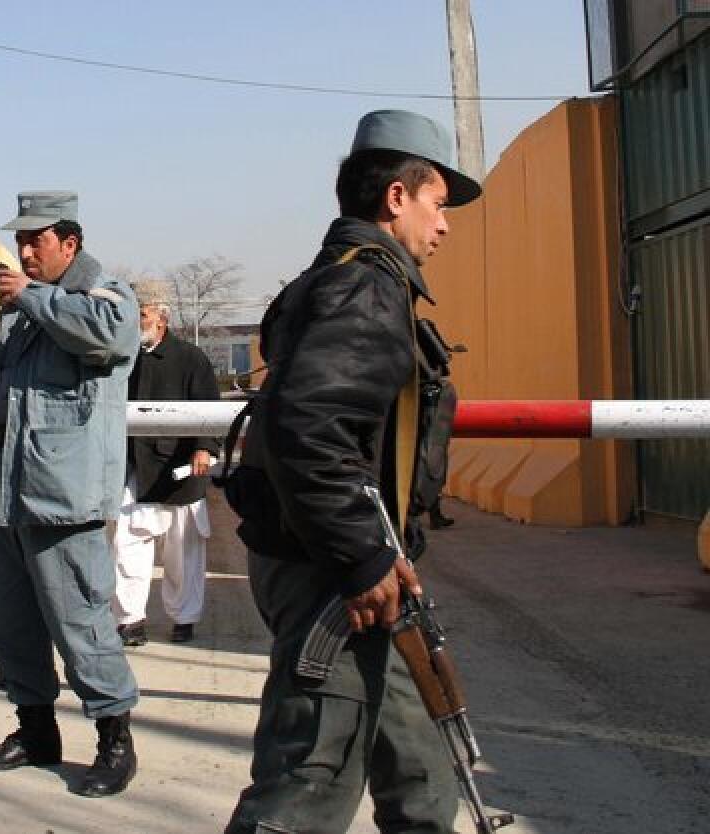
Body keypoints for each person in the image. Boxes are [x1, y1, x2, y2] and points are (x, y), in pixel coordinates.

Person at [224, 110, 482, 833]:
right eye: (438, 203)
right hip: (337, 574)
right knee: (306, 784)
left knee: (423, 771)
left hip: (354, 561)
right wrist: (363, 555)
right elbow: (311, 424)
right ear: (396, 198)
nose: (446, 224)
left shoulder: (338, 278)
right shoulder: (366, 287)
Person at [0, 190, 142, 799]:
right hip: (9, 491)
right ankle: (35, 730)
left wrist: (34, 298)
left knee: (81, 623)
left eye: (36, 240)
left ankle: (115, 737)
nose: (24, 251)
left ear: (69, 244)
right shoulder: (20, 312)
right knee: (8, 623)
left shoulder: (105, 294)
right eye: (19, 240)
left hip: (64, 497)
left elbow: (113, 339)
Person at [112, 296, 220, 646]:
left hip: (182, 467)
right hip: (135, 468)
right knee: (127, 545)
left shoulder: (191, 359)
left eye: (141, 315)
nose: (136, 321)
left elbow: (210, 408)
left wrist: (205, 447)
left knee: (182, 551)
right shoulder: (122, 358)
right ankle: (130, 620)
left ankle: (184, 618)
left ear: (162, 320)